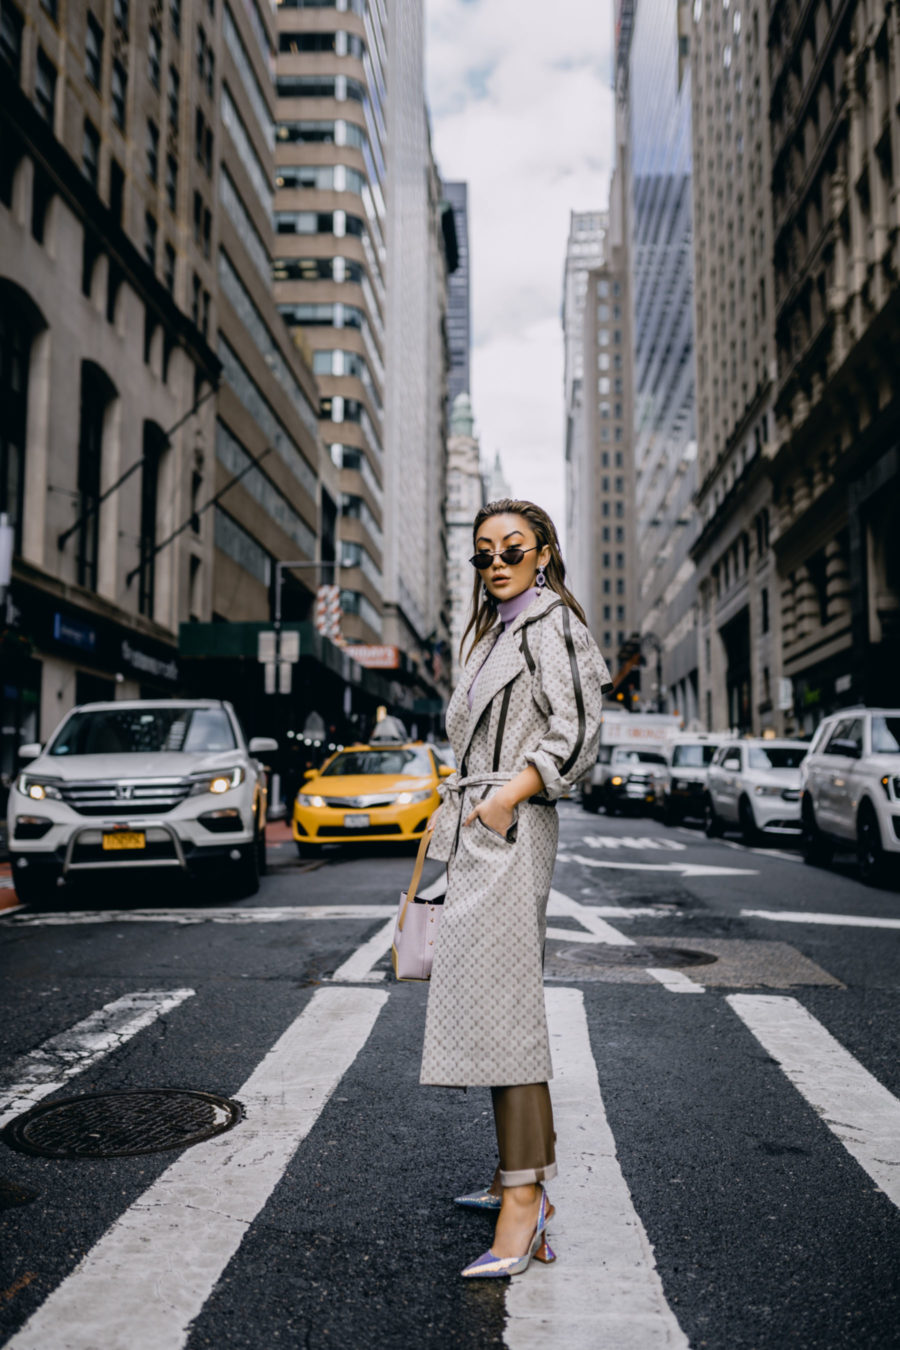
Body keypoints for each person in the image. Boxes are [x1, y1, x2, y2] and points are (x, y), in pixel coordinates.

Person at [421, 499, 612, 1278]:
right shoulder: (492, 633)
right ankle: (518, 1175)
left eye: (512, 549)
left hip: (511, 822)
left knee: (506, 1008)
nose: (496, 562)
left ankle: (525, 1199)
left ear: (542, 553)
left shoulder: (553, 624)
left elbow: (575, 732)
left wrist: (501, 802)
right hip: (481, 824)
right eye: (484, 554)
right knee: (490, 1004)